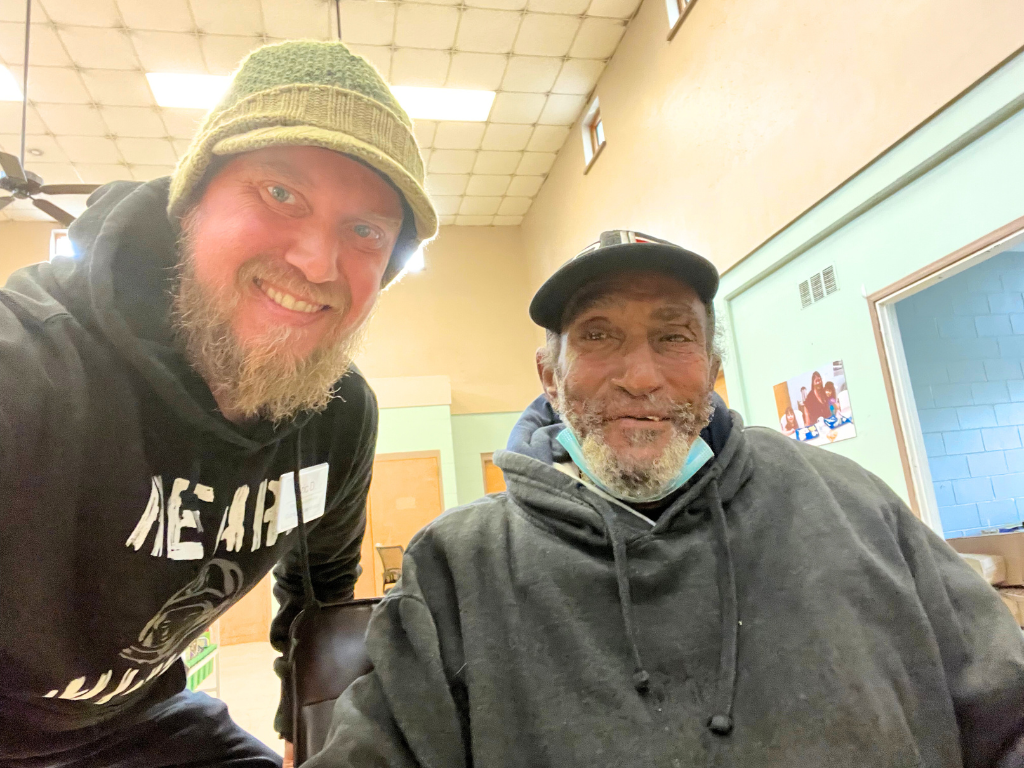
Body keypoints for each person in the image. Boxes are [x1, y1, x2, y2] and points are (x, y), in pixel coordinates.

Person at [309, 230, 1024, 767]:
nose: (640, 376)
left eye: (673, 337)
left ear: (712, 368)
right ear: (551, 378)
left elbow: (1007, 713)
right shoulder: (457, 571)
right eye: (599, 337)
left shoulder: (855, 508)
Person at [0, 41, 436, 766]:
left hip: (147, 722)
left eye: (366, 231)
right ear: (191, 200)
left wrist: (306, 728)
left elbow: (321, 599)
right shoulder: (29, 370)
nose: (316, 263)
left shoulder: (339, 415)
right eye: (281, 193)